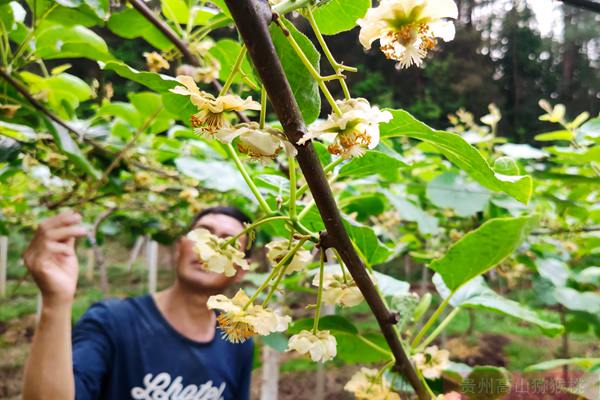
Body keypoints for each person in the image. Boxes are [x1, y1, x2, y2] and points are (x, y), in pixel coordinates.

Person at [21, 206, 254, 400]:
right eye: (204, 233)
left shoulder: (236, 339)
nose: (213, 247)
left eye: (229, 241)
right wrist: (56, 302)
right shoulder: (111, 322)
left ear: (241, 270)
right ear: (179, 248)